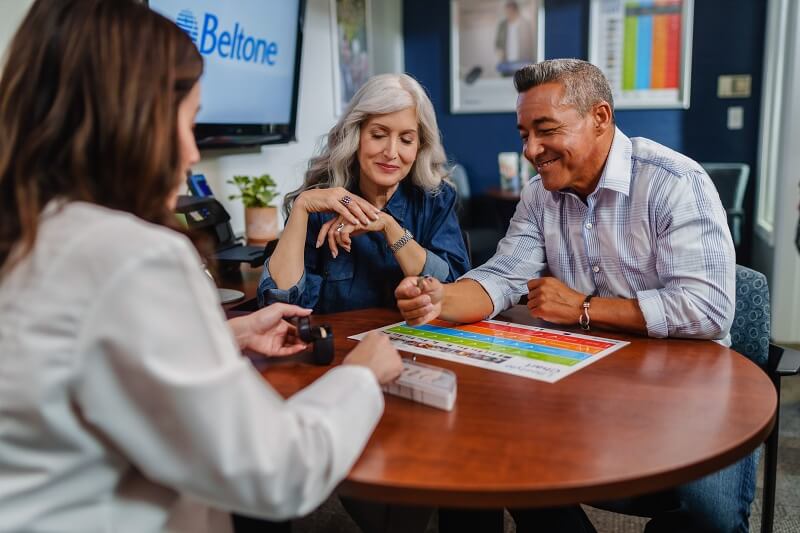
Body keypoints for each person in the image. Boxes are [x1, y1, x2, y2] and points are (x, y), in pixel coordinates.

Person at [0, 1, 402, 532]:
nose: (192, 155)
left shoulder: (33, 236)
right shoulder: (129, 256)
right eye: (188, 123)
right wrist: (361, 378)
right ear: (129, 120)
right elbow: (276, 471)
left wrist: (222, 335)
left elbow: (76, 361)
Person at [395, 59, 754, 532]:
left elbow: (707, 309)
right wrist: (438, 297)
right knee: (504, 463)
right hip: (585, 380)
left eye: (544, 130)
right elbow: (502, 278)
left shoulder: (673, 182)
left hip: (689, 385)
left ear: (600, 118)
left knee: (711, 520)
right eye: (524, 133)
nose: (530, 149)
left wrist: (582, 308)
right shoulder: (539, 195)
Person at [257, 73, 470, 314]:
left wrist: (391, 228)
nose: (391, 152)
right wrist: (302, 205)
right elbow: (279, 307)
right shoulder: (319, 204)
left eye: (406, 139)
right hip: (341, 348)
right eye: (378, 135)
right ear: (355, 136)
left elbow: (455, 289)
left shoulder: (434, 199)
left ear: (419, 146)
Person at [495, 1, 536, 76]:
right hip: (507, 65)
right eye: (506, 12)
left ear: (515, 11)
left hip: (522, 65)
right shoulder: (502, 25)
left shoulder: (525, 24)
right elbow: (498, 43)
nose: (508, 14)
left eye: (509, 12)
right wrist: (499, 52)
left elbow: (530, 46)